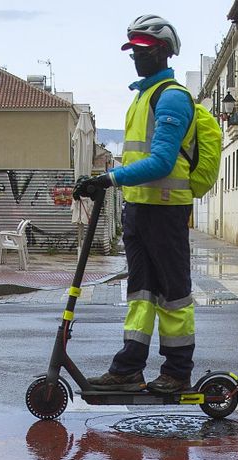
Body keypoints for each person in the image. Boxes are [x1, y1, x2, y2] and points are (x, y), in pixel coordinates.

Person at [73, 15, 197, 395]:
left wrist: (108, 178)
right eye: (132, 50)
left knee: (174, 295)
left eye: (142, 49)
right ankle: (129, 367)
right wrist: (110, 181)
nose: (135, 57)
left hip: (165, 209)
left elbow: (160, 162)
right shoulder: (141, 97)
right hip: (139, 209)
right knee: (141, 293)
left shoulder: (172, 96)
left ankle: (177, 371)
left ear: (162, 51)